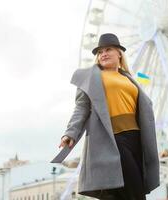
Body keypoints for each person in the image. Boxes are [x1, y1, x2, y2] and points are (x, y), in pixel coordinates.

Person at [52, 33, 160, 200]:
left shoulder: (129, 78)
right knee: (134, 190)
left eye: (108, 49)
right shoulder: (90, 77)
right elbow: (81, 107)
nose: (103, 54)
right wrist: (70, 133)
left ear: (119, 53)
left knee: (126, 189)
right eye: (100, 52)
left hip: (136, 138)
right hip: (112, 138)